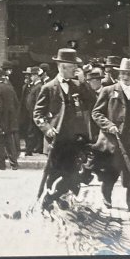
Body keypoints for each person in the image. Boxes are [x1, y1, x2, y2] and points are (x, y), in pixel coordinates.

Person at [33, 48, 97, 205]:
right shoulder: (48, 88)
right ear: (61, 66)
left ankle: (68, 205)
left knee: (74, 175)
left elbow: (92, 102)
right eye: (72, 66)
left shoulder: (77, 85)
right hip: (57, 140)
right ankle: (49, 204)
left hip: (75, 140)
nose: (76, 69)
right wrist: (47, 129)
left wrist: (83, 83)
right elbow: (38, 114)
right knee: (54, 174)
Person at [92, 58, 130, 214]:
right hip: (113, 141)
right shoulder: (108, 91)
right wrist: (109, 125)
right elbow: (96, 113)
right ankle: (106, 198)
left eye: (129, 74)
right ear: (119, 74)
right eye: (123, 74)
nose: (126, 77)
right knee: (110, 173)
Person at [0, 68, 20, 170]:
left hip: (0, 119)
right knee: (9, 142)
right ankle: (14, 163)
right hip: (9, 119)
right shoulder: (10, 87)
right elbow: (16, 103)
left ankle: (0, 164)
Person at [22, 67, 45, 156]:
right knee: (32, 131)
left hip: (33, 113)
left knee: (32, 132)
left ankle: (29, 150)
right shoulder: (35, 86)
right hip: (31, 112)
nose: (31, 77)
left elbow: (37, 101)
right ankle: (33, 149)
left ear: (36, 76)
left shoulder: (38, 87)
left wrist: (35, 112)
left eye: (32, 75)